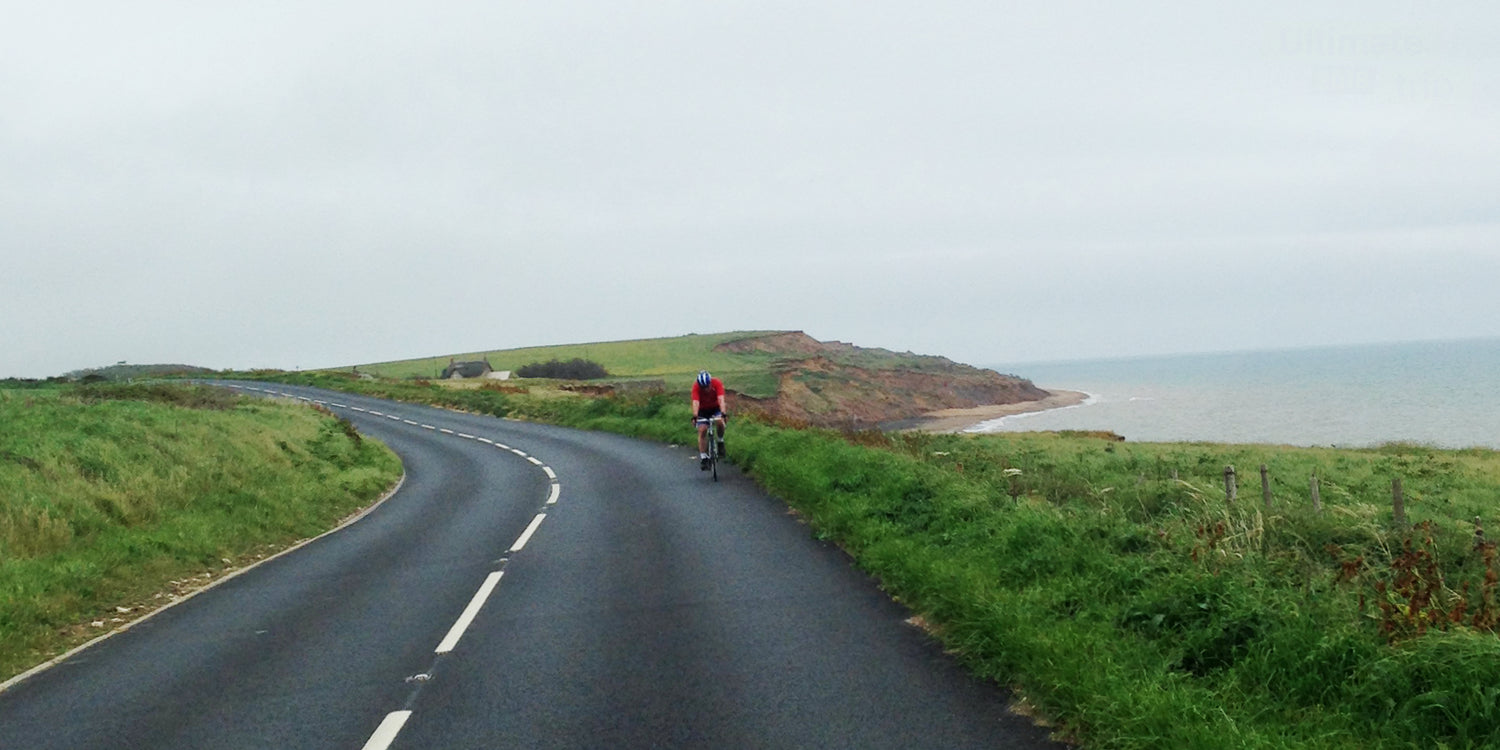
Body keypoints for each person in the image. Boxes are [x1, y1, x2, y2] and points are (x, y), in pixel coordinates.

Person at [691, 370, 727, 470]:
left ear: (710, 382)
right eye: (703, 387)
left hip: (715, 408)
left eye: (707, 386)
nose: (706, 389)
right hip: (702, 410)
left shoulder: (717, 383)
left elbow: (721, 399)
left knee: (720, 422)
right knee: (702, 430)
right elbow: (695, 402)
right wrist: (695, 416)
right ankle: (704, 458)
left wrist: (723, 413)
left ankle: (720, 441)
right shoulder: (696, 387)